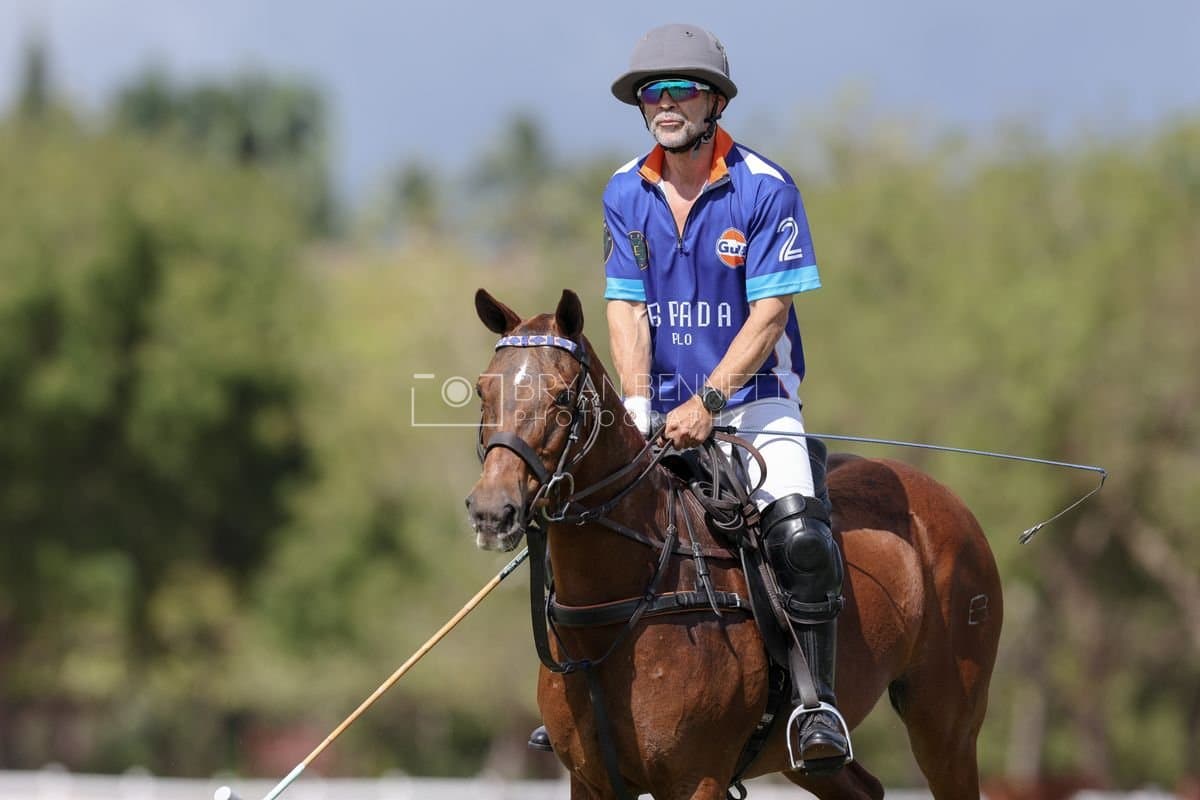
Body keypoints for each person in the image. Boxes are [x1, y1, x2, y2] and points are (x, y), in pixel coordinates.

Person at [530, 23, 851, 774]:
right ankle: (583, 698)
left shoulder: (765, 188)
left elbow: (768, 316)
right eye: (652, 91)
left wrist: (709, 399)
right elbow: (627, 306)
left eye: (680, 89)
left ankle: (815, 704)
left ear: (714, 100)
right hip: (660, 408)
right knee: (578, 519)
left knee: (800, 535)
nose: (665, 103)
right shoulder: (624, 190)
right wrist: (638, 409)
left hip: (755, 400)